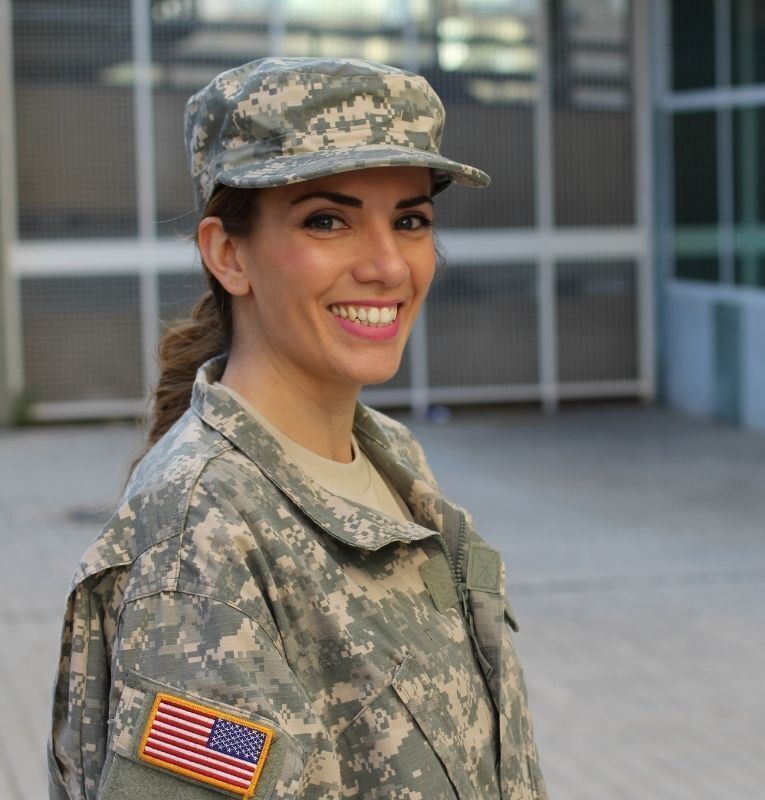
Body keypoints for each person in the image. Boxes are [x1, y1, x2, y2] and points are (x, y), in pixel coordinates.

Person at [47, 56, 547, 800]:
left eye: (410, 220)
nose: (387, 264)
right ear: (228, 254)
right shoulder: (207, 532)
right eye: (327, 220)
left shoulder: (388, 458)